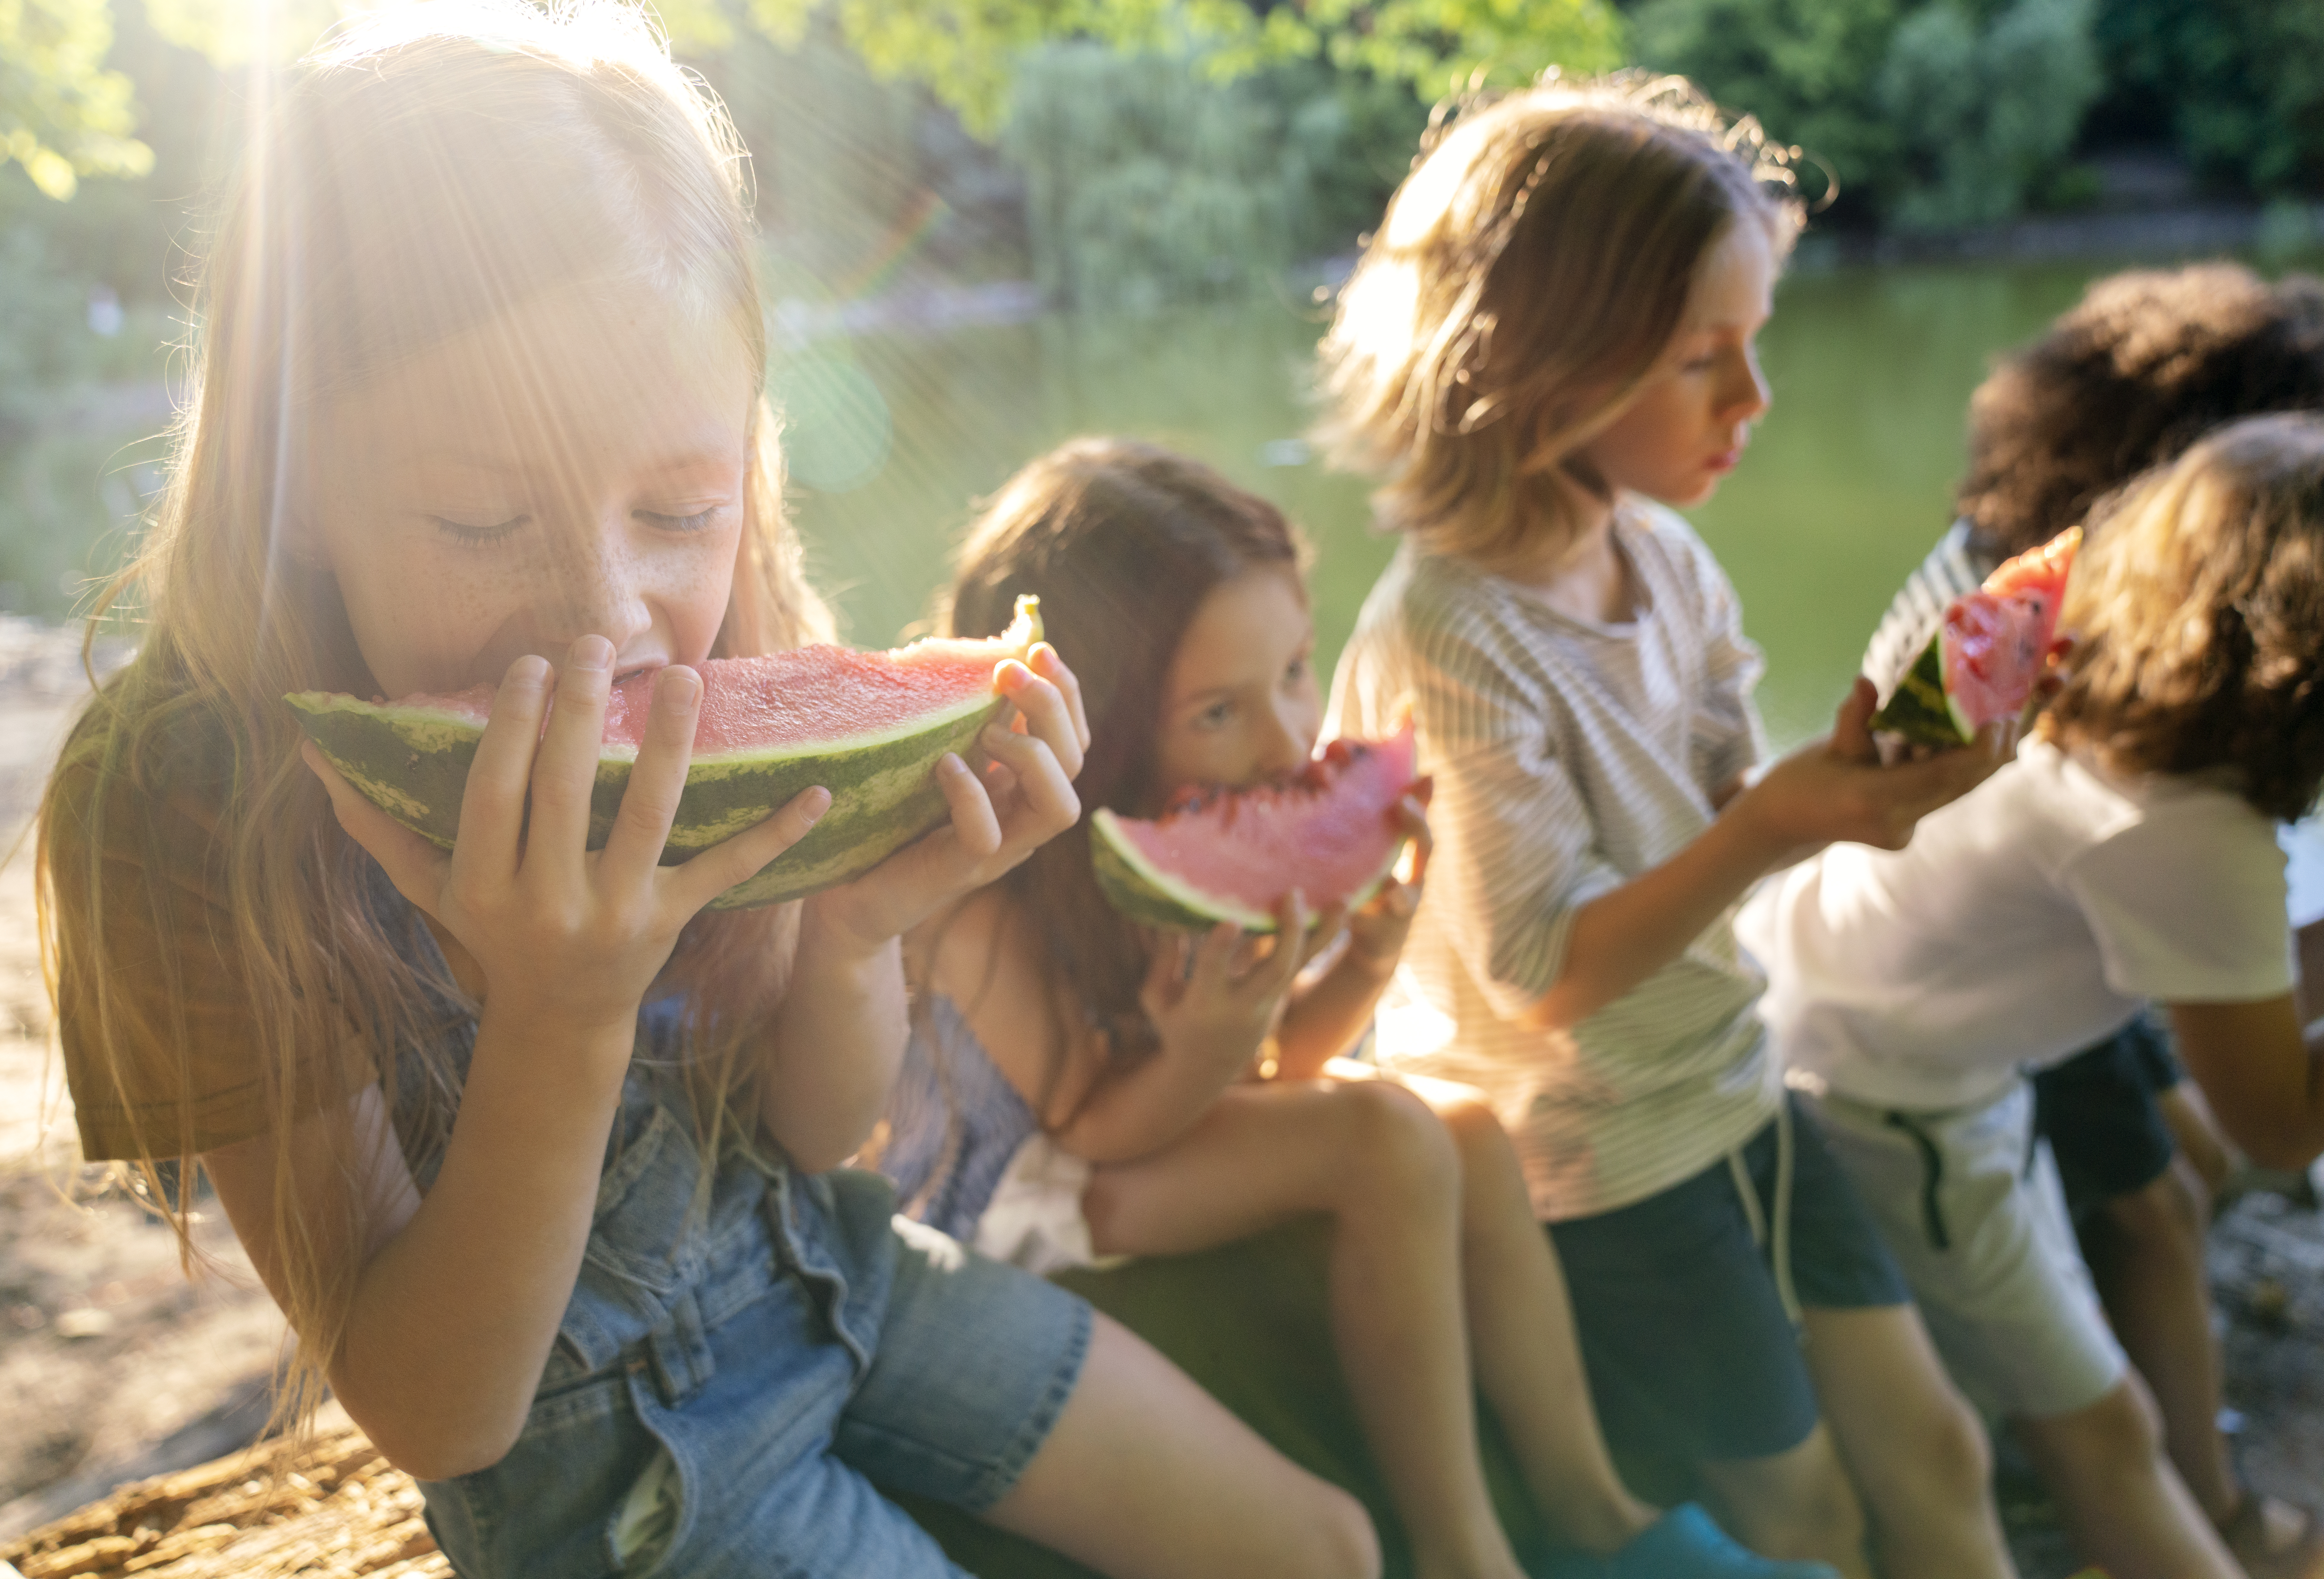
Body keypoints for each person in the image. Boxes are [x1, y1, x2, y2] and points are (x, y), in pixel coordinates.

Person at [35, 8, 1386, 1576]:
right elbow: (435, 1413)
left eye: (680, 510)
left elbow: (817, 1133)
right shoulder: (184, 808)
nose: (604, 615)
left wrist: (860, 924)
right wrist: (561, 1016)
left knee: (1326, 1549)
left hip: (838, 1274)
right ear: (291, 483)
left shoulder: (735, 630)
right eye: (479, 521)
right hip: (609, 1474)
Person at [877, 437, 1830, 1579]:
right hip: (1020, 1202)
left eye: (1294, 672)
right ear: (1103, 725)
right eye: (1218, 712)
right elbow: (1093, 1129)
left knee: (1466, 1129)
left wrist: (1364, 967)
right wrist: (1214, 1045)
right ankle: (1463, 1548)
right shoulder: (991, 905)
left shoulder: (1184, 843)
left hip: (1154, 1129)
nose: (1289, 739)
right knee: (1382, 1133)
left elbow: (1274, 1068)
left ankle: (1596, 1510)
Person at [1317, 77, 2017, 1578]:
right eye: (1702, 359)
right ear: (1536, 363)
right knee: (1802, 1519)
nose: (1751, 399)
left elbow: (1719, 811)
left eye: (1752, 344)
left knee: (1940, 1454)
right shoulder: (1451, 635)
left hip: (1733, 1084)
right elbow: (1542, 971)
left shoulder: (1666, 559)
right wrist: (1771, 825)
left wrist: (1866, 780)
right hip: (1599, 1163)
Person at [1742, 413, 2324, 1579]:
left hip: (1861, 1020)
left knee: (2097, 1413)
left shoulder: (2096, 684)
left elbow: (2249, 977)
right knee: (2098, 1434)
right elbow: (2277, 1124)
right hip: (1881, 1095)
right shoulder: (2182, 829)